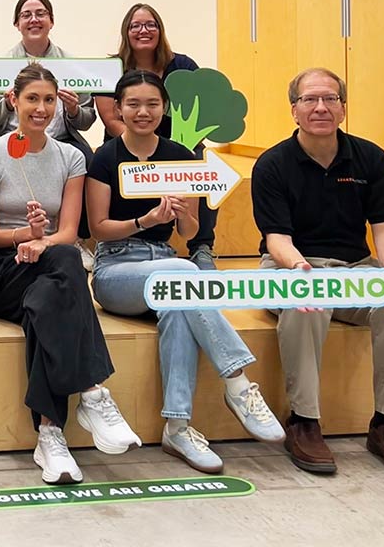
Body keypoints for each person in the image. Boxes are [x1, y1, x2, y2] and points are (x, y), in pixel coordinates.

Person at [86, 70, 283, 474]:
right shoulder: (104, 158)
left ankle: (177, 426)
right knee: (183, 272)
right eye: (134, 104)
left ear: (165, 108)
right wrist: (145, 219)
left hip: (167, 264)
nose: (143, 112)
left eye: (152, 104)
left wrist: (180, 215)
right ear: (119, 108)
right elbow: (98, 229)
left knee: (178, 304)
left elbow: (189, 232)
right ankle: (238, 384)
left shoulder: (180, 155)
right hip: (116, 270)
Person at [252, 67, 384, 478]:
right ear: (294, 110)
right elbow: (277, 238)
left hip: (354, 269)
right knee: (304, 302)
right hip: (290, 264)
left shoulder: (370, 157)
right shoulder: (273, 164)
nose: (320, 107)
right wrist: (299, 269)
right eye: (310, 100)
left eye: (330, 99)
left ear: (343, 108)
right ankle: (304, 421)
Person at [0, 64, 140, 485]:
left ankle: (49, 434)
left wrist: (41, 240)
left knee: (46, 302)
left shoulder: (72, 157)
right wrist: (23, 236)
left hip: (47, 262)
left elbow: (67, 232)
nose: (41, 108)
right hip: (0, 269)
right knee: (63, 268)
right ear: (14, 101)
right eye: (32, 99)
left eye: (48, 100)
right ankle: (93, 391)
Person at [95, 3, 216, 269]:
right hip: (126, 142)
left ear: (160, 30)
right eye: (135, 25)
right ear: (126, 32)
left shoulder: (183, 65)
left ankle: (202, 247)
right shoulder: (109, 68)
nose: (143, 30)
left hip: (175, 146)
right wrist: (140, 146)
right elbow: (110, 118)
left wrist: (168, 152)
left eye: (151, 24)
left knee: (199, 161)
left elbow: (200, 110)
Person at [0, 0, 97, 148]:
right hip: (10, 139)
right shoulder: (1, 65)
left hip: (61, 141)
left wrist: (74, 110)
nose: (34, 19)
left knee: (89, 162)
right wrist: (6, 103)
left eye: (41, 14)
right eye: (26, 15)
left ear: (52, 21)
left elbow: (86, 122)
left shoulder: (72, 65)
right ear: (17, 24)